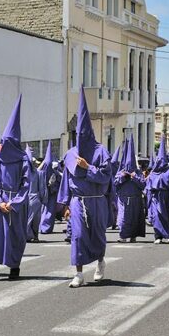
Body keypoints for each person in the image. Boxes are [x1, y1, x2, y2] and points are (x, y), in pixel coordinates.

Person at [58, 87, 111, 287]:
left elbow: (106, 177)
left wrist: (88, 167)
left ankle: (100, 263)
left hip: (96, 201)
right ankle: (79, 274)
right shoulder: (70, 154)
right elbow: (65, 179)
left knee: (97, 235)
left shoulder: (101, 152)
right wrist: (64, 204)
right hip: (78, 202)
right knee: (78, 236)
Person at [0, 95, 29, 281]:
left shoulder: (23, 160)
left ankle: (14, 267)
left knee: (16, 235)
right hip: (0, 203)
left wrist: (14, 203)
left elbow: (25, 185)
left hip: (16, 204)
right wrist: (0, 202)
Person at [146, 136, 169, 245]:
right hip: (156, 198)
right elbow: (148, 187)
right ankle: (158, 236)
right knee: (157, 217)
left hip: (168, 197)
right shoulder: (153, 172)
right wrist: (147, 200)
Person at [115, 137, 146, 243]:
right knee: (123, 218)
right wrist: (123, 176)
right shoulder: (120, 172)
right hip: (123, 200)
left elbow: (143, 185)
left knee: (134, 219)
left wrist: (134, 177)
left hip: (135, 200)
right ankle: (122, 236)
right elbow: (115, 183)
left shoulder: (138, 173)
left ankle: (133, 236)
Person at [39, 141, 60, 235]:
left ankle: (42, 227)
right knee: (49, 210)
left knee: (44, 210)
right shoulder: (55, 172)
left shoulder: (40, 172)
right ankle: (45, 227)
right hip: (51, 193)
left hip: (44, 193)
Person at [26, 147, 46, 243]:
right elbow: (42, 188)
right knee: (32, 219)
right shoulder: (37, 173)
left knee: (32, 219)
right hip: (30, 199)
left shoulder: (38, 173)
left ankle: (31, 235)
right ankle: (32, 235)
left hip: (32, 198)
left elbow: (41, 187)